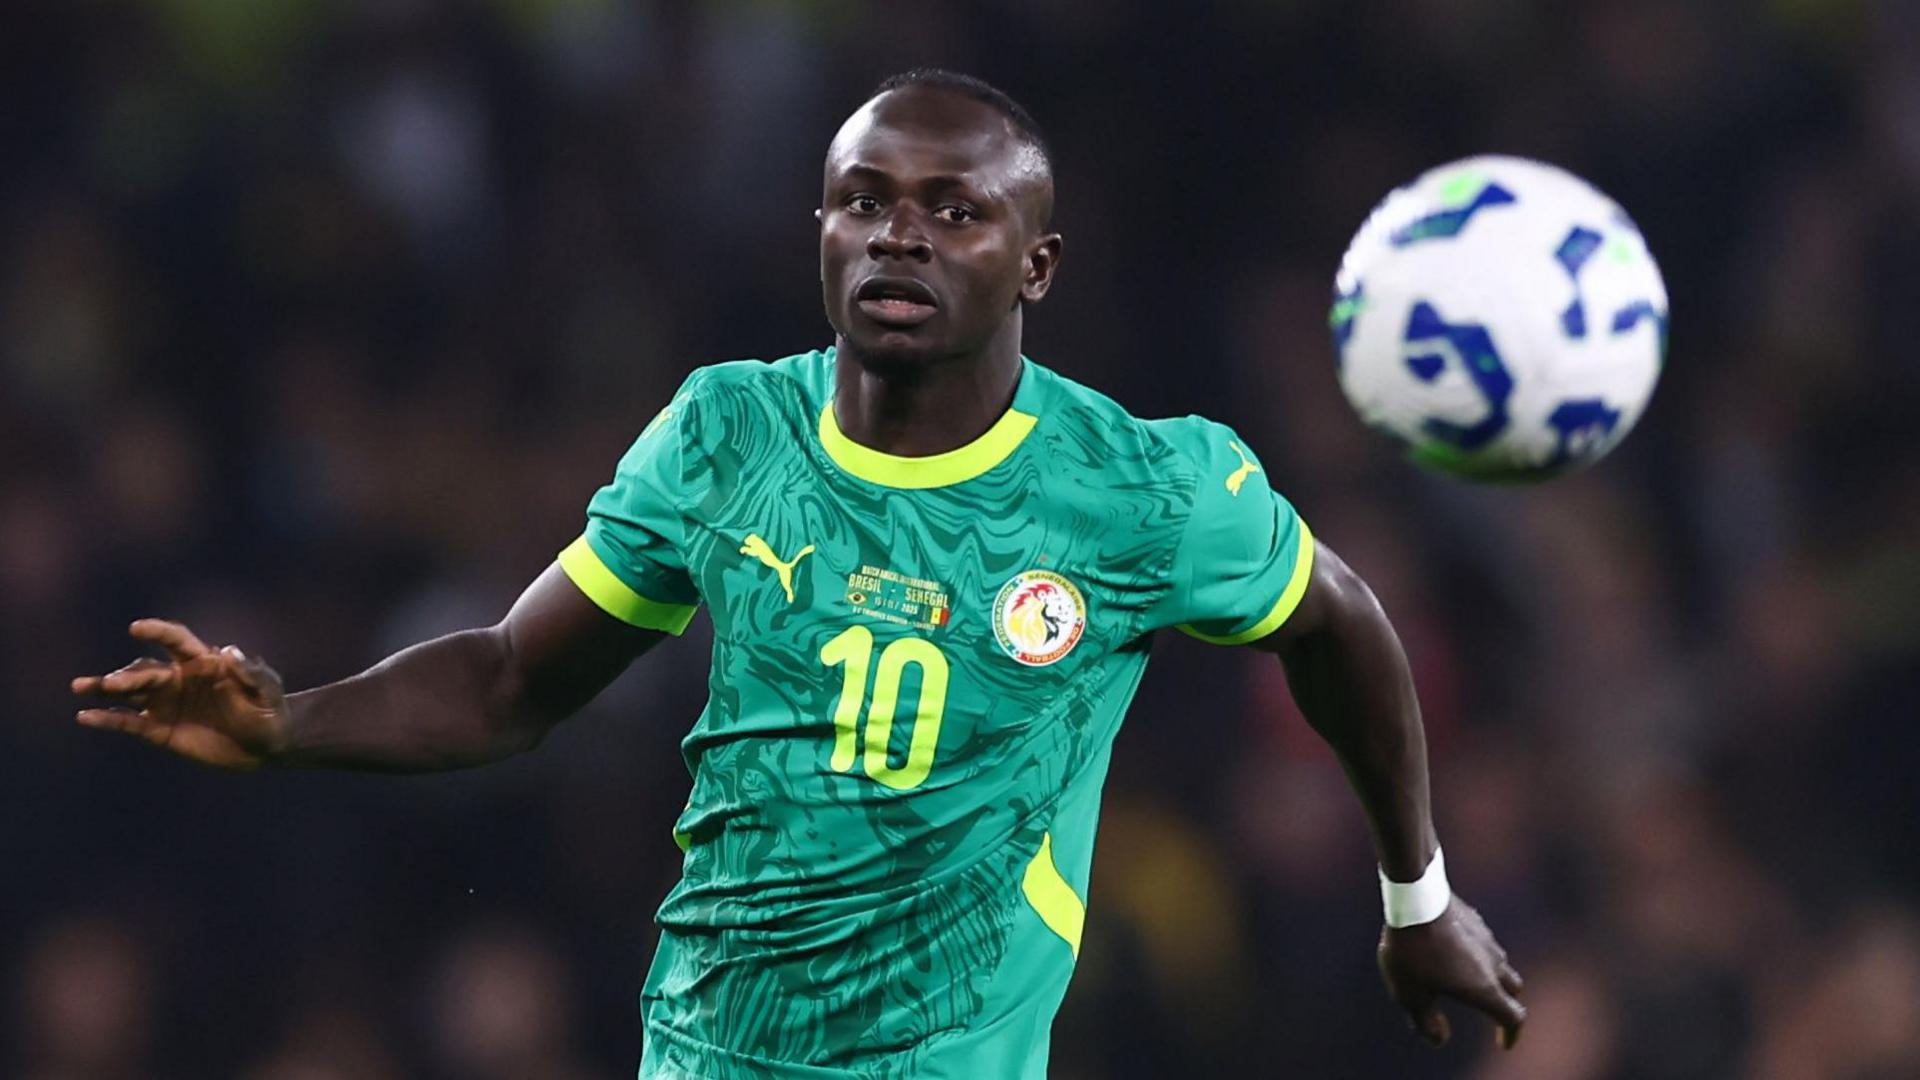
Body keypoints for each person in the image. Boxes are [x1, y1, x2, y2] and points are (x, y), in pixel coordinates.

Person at [71, 69, 1526, 1078]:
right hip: (703, 1058)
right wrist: (289, 721)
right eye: (863, 199)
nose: (900, 230)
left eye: (955, 210)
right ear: (822, 229)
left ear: (1038, 263)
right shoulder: (725, 435)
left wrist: (1419, 899)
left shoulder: (1139, 487)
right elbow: (517, 679)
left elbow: (1340, 621)